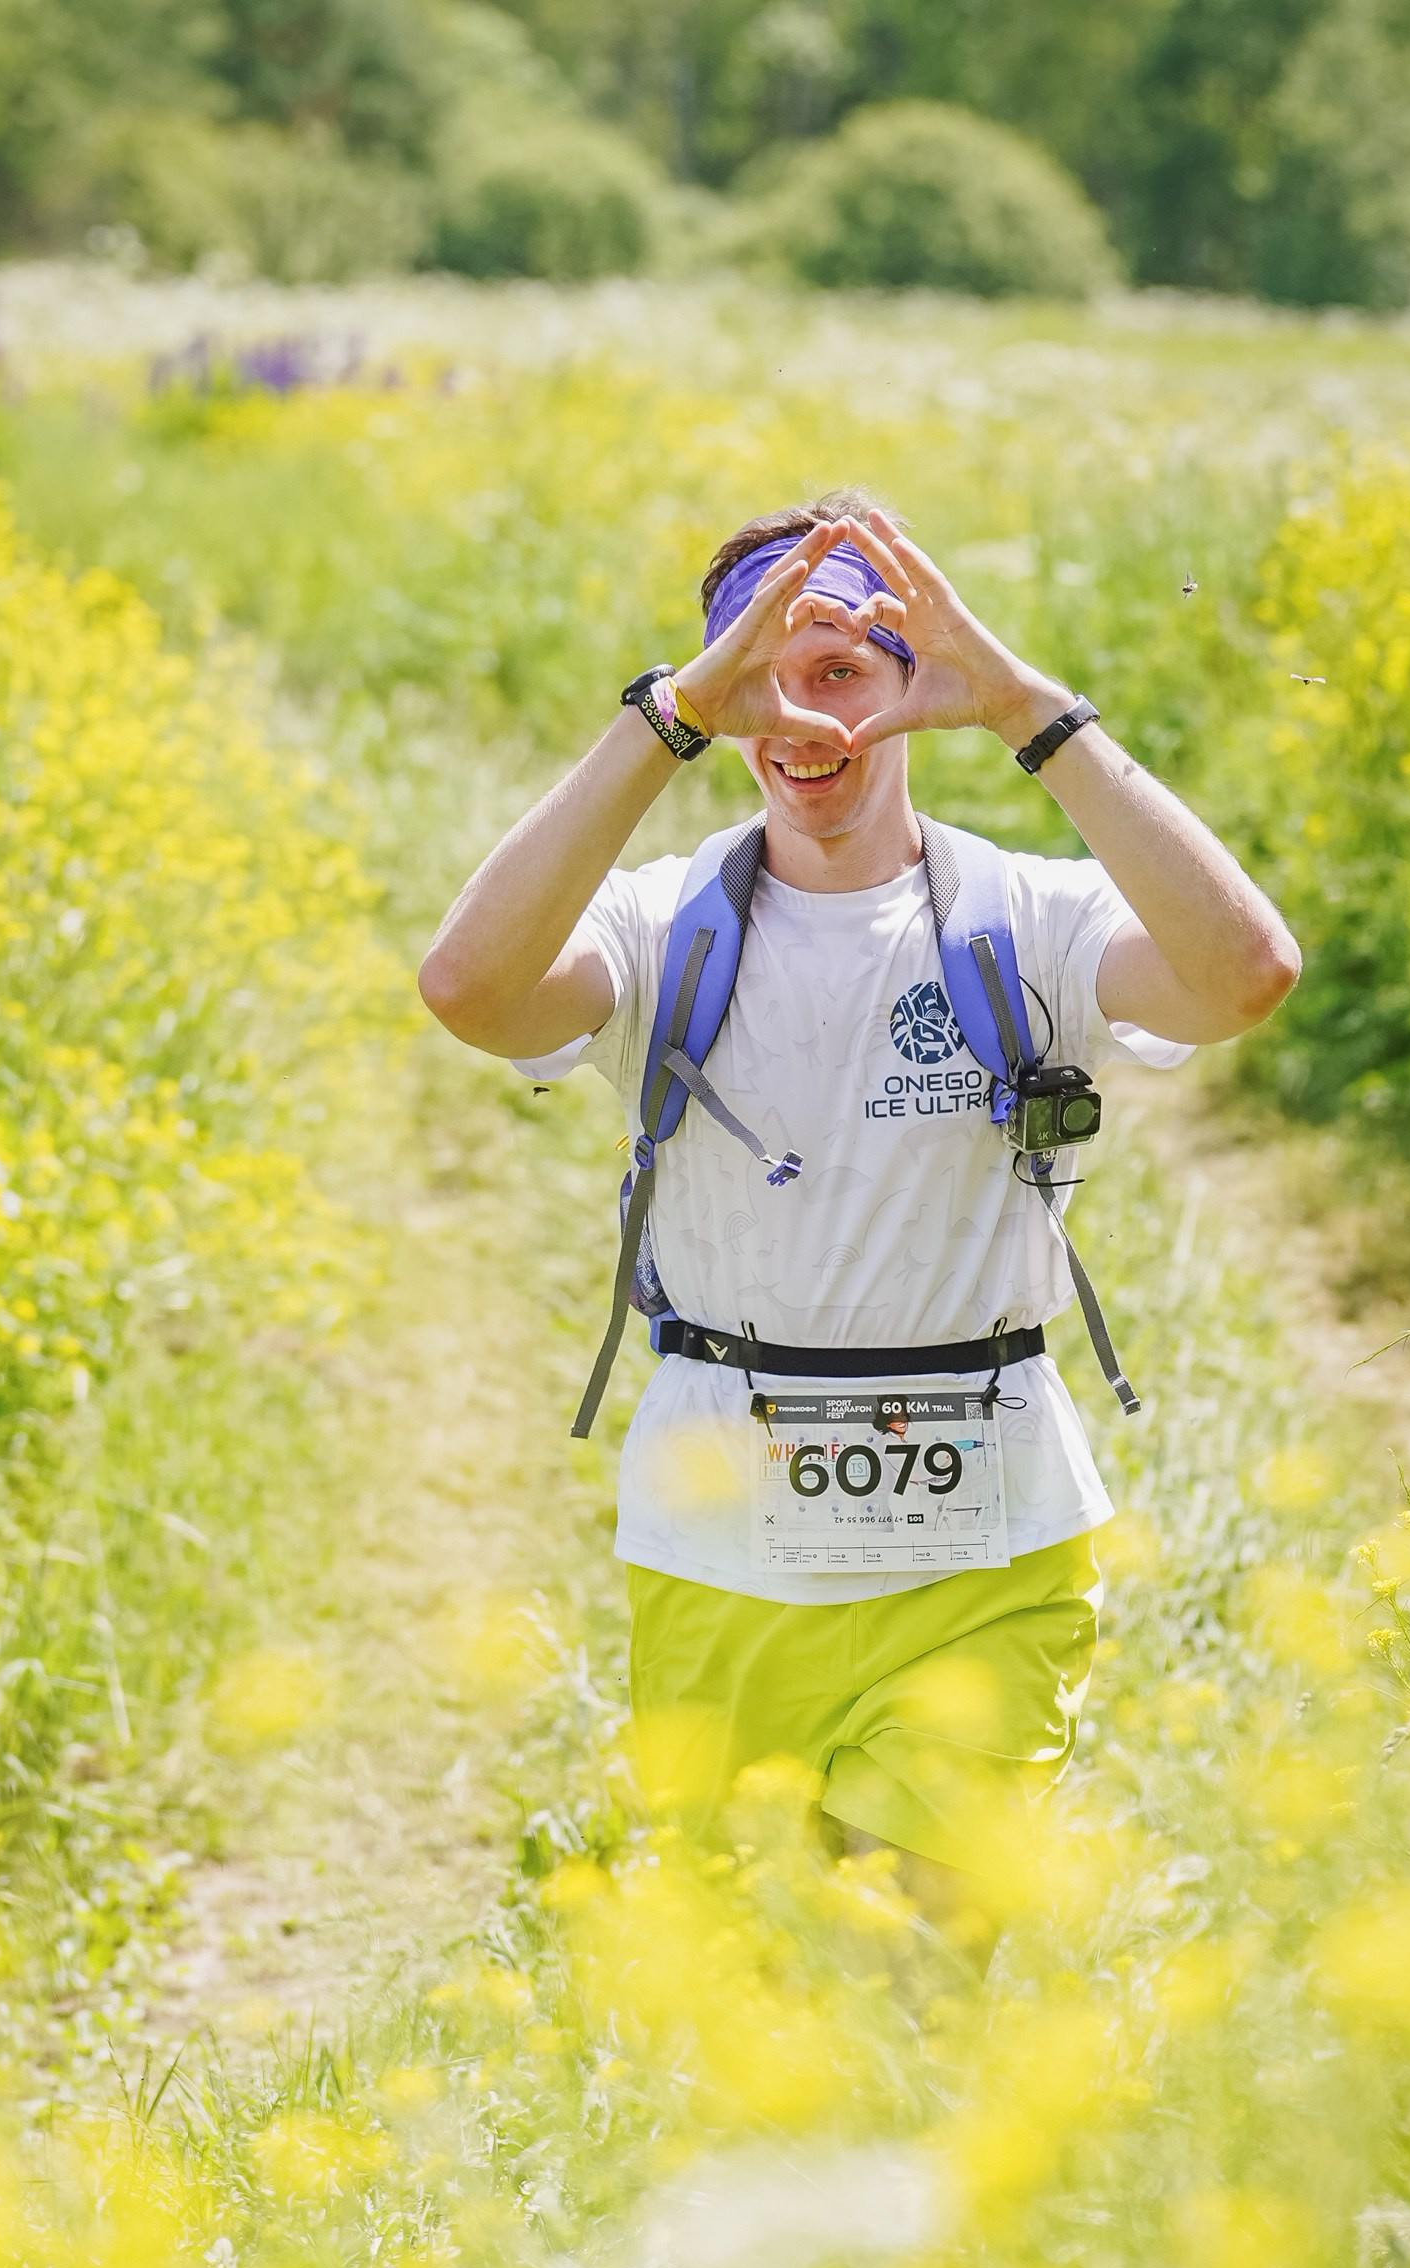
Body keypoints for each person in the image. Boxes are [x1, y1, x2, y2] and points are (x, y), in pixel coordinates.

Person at [418, 494, 1299, 1947]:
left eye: (838, 669)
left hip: (986, 1559)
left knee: (918, 1980)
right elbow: (469, 990)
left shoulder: (1024, 917)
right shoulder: (660, 926)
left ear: (910, 682)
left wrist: (1023, 706)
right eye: (759, 678)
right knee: (760, 1994)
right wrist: (664, 718)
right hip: (721, 1563)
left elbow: (1245, 974)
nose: (802, 717)